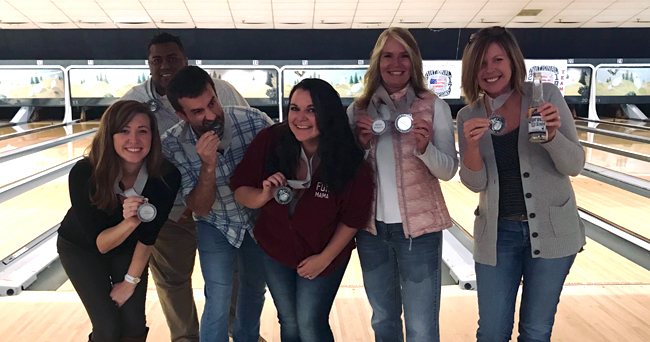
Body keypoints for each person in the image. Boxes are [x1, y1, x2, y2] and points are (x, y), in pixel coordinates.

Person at [120, 32, 251, 342]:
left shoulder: (224, 93)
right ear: (148, 64)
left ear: (185, 59)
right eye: (157, 60)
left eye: (172, 58)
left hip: (220, 209)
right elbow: (120, 153)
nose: (165, 65)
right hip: (168, 212)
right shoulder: (134, 100)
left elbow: (251, 140)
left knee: (230, 277)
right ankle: (185, 337)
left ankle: (236, 332)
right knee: (172, 280)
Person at [456, 26, 585, 342]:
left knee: (536, 331)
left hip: (553, 231)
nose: (490, 70)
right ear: (472, 71)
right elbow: (475, 184)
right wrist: (471, 147)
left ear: (512, 61)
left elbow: (575, 165)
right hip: (498, 237)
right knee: (492, 332)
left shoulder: (545, 98)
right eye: (482, 64)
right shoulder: (467, 115)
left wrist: (552, 137)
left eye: (498, 59)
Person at [230, 78, 374, 342]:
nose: (300, 117)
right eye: (295, 108)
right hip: (275, 249)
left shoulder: (348, 159)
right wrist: (262, 196)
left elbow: (353, 218)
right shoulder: (271, 140)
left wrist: (324, 258)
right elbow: (240, 189)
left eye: (312, 110)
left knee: (310, 323)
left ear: (327, 113)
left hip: (323, 253)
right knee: (289, 321)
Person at [348, 27, 458, 342]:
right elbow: (344, 172)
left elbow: (449, 170)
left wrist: (425, 150)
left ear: (414, 61)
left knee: (421, 327)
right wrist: (362, 145)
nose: (396, 63)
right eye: (388, 55)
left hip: (420, 233)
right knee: (383, 321)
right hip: (371, 233)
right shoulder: (357, 110)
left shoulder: (433, 105)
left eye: (404, 55)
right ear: (377, 61)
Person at [162, 66, 271, 342]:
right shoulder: (172, 145)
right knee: (219, 293)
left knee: (254, 289)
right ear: (181, 115)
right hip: (215, 223)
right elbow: (200, 208)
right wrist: (207, 167)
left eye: (212, 103)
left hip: (257, 220)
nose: (211, 115)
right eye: (198, 112)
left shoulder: (254, 122)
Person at [57, 100, 181, 342]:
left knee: (134, 327)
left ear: (153, 137)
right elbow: (101, 245)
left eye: (142, 131)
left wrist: (130, 282)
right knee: (108, 327)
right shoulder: (85, 174)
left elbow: (148, 237)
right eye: (124, 131)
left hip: (130, 249)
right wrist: (131, 221)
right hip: (81, 249)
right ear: (109, 136)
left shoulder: (165, 177)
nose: (134, 140)